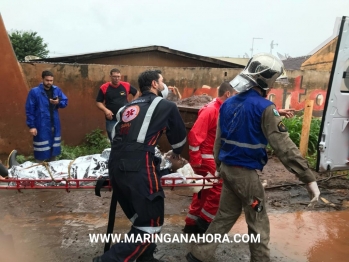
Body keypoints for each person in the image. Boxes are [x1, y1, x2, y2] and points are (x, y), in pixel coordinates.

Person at [186, 53, 320, 262]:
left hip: (228, 171)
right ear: (268, 80)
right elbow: (285, 147)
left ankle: (199, 254)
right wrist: (308, 178)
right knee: (258, 221)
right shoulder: (266, 108)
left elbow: (218, 142)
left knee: (225, 216)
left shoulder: (228, 104)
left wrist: (219, 167)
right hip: (245, 175)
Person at [94, 70, 187, 262]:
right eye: (162, 82)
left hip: (116, 166)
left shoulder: (125, 108)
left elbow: (117, 139)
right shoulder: (166, 105)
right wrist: (175, 158)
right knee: (151, 221)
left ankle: (146, 258)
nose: (164, 85)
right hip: (138, 166)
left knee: (140, 216)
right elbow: (178, 142)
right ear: (154, 84)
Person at [184, 82, 233, 234]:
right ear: (228, 94)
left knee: (202, 190)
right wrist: (196, 160)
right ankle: (204, 223)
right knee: (218, 188)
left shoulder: (220, 109)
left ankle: (191, 223)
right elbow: (194, 135)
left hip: (209, 156)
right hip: (207, 157)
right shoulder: (212, 110)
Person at [25, 70, 68, 162]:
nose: (49, 83)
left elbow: (65, 102)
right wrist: (32, 126)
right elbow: (29, 109)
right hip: (41, 125)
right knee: (41, 150)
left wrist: (58, 102)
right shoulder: (34, 92)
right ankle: (40, 169)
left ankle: (52, 171)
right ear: (42, 79)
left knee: (54, 150)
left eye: (51, 80)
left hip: (54, 124)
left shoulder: (56, 90)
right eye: (47, 80)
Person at [96, 68, 140, 143]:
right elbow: (98, 102)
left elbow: (136, 93)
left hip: (125, 117)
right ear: (110, 76)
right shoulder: (104, 87)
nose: (117, 79)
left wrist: (131, 104)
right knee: (112, 137)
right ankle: (114, 151)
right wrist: (106, 110)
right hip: (111, 118)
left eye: (118, 76)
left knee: (126, 137)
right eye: (114, 76)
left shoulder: (126, 85)